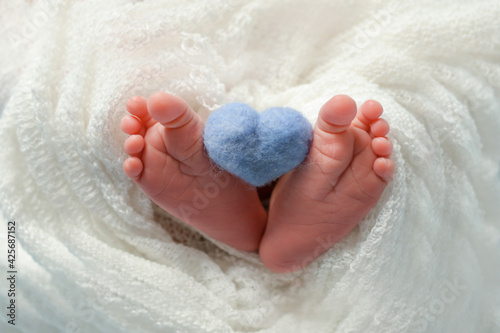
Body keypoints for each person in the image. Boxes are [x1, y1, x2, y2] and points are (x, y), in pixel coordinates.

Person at [120, 92, 394, 272]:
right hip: (278, 145)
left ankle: (239, 191)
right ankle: (300, 181)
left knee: (146, 108)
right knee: (359, 105)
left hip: (238, 145)